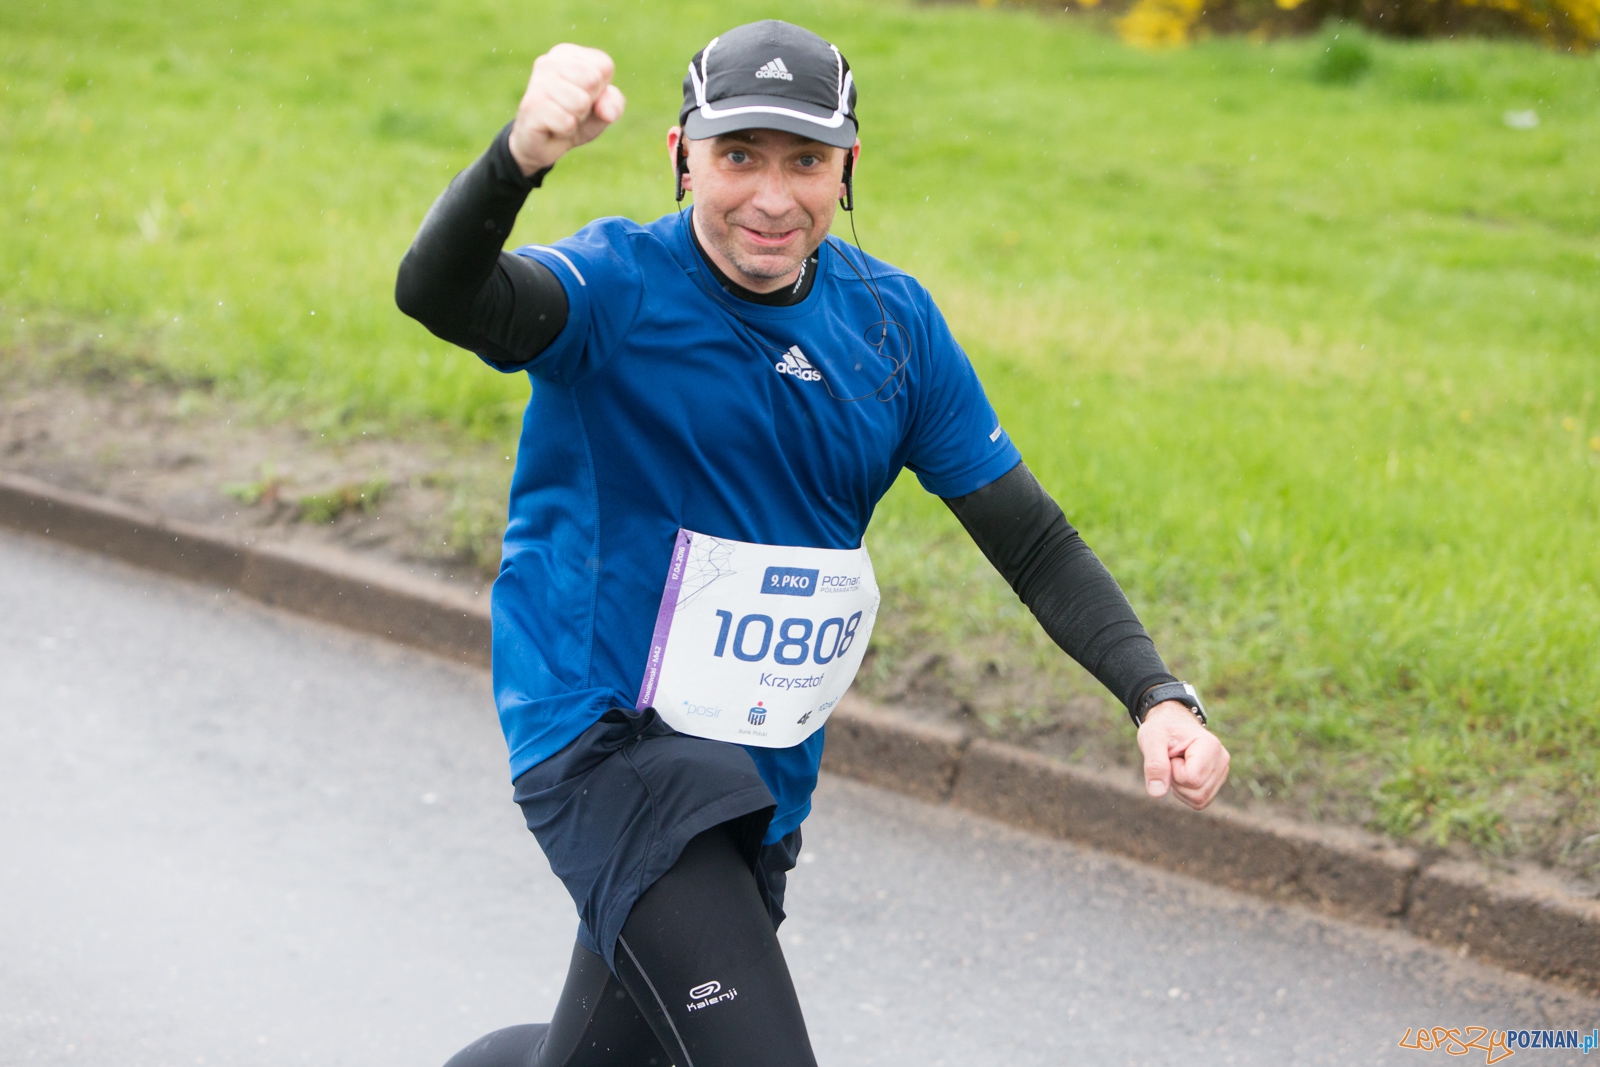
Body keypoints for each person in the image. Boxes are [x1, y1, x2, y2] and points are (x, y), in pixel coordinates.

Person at [396, 20, 1230, 1067]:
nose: (772, 197)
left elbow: (1030, 538)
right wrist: (520, 157)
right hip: (605, 736)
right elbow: (438, 293)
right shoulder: (613, 289)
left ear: (848, 168)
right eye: (737, 155)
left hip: (760, 764)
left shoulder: (891, 328)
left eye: (805, 160)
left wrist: (1156, 694)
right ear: (680, 156)